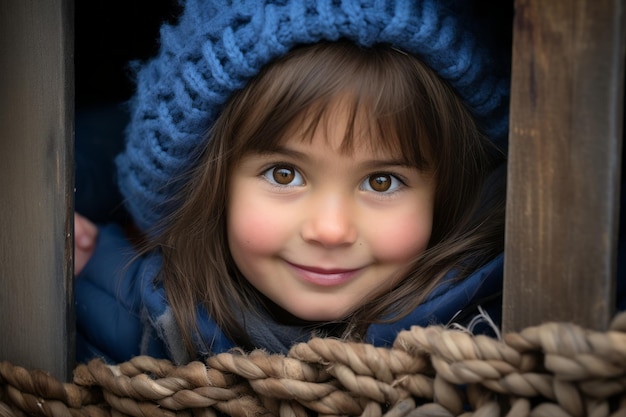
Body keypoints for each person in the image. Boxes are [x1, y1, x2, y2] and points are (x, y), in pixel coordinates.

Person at [74, 0, 512, 364]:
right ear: (210, 186)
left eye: (381, 182)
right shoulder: (121, 319)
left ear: (448, 194)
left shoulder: (496, 333)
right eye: (285, 174)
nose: (330, 230)